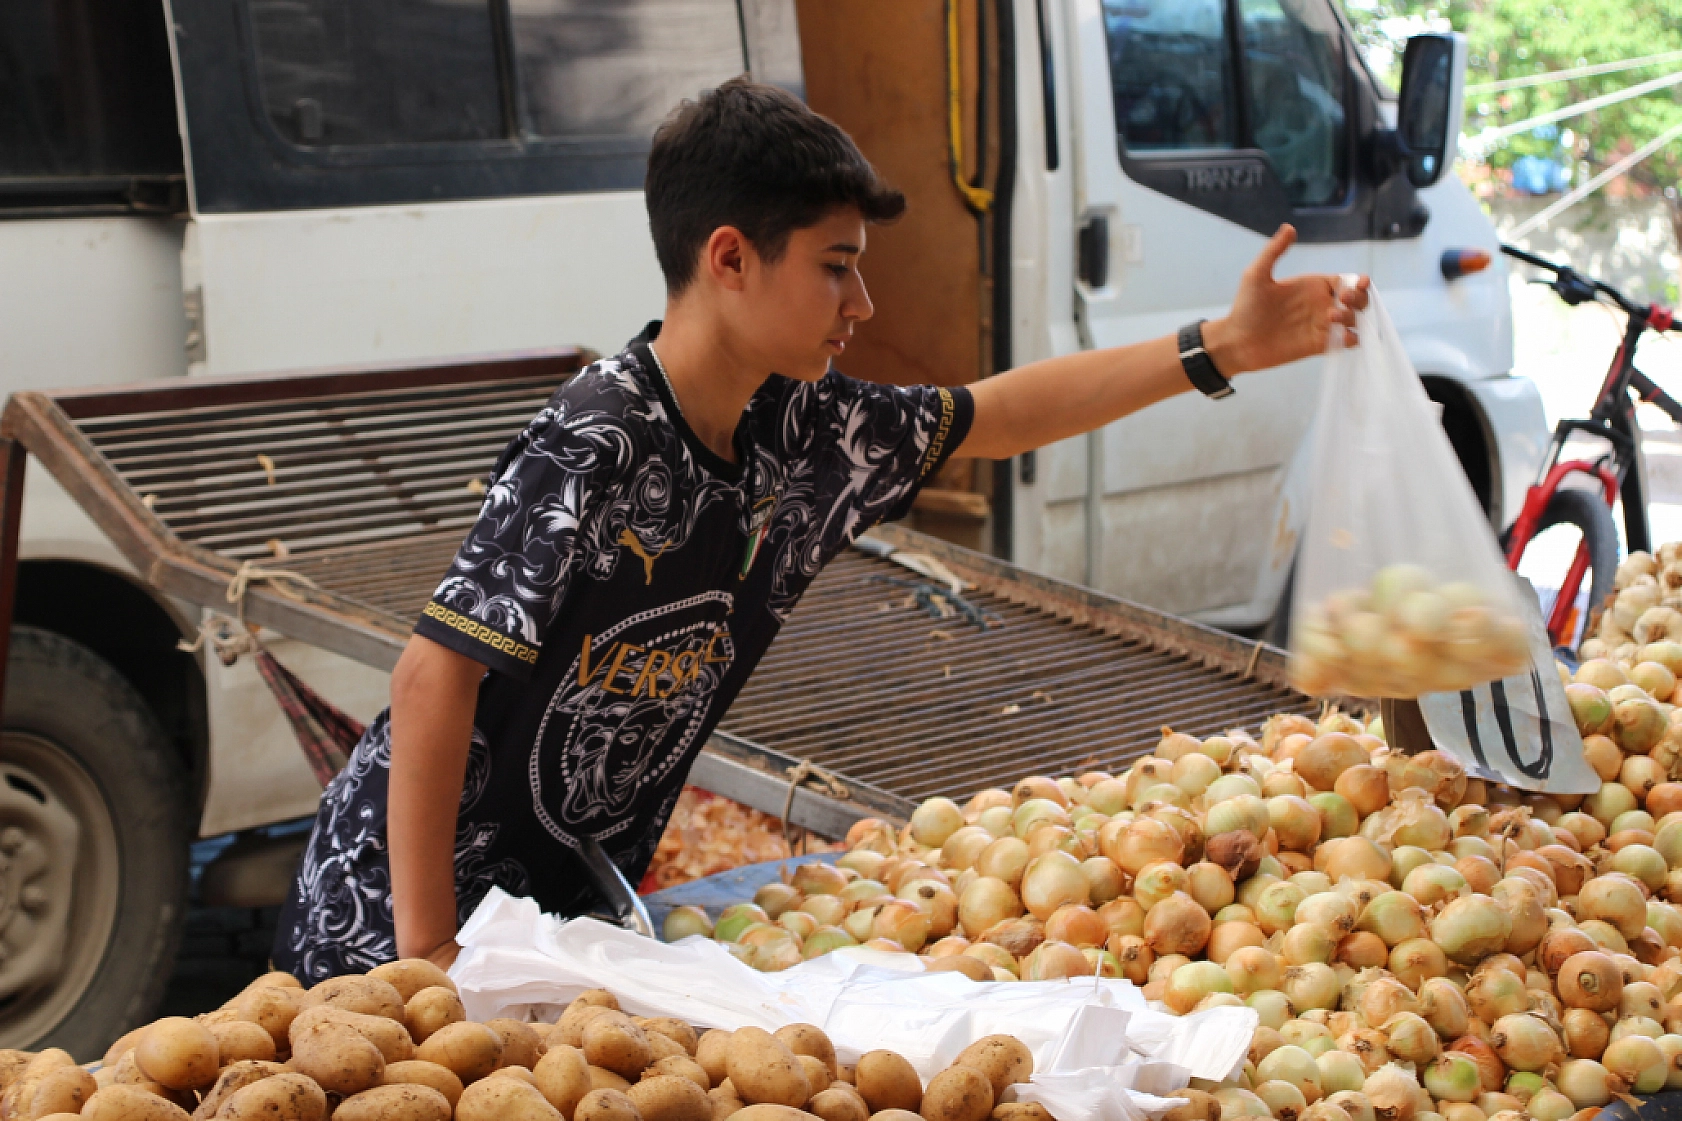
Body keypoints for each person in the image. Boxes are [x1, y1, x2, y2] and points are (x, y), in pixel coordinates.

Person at [272, 77, 1369, 980]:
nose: (863, 304)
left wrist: (1217, 348)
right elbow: (431, 678)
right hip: (392, 929)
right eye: (835, 267)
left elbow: (993, 413)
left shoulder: (802, 431)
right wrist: (425, 959)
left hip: (556, 929)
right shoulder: (597, 440)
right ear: (730, 258)